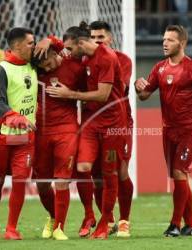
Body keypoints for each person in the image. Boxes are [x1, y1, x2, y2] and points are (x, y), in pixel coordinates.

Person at [135, 25, 192, 237]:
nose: (164, 43)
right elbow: (144, 95)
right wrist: (138, 86)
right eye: (164, 39)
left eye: (170, 40)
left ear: (182, 43)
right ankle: (191, 225)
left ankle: (174, 224)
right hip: (168, 130)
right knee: (179, 178)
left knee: (179, 173)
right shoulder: (160, 68)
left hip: (189, 130)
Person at [46, 21, 126, 239]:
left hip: (113, 126)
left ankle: (106, 221)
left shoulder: (107, 58)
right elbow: (60, 50)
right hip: (91, 123)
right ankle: (90, 214)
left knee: (109, 174)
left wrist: (69, 94)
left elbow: (102, 95)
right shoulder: (82, 57)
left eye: (70, 49)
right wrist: (50, 41)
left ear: (81, 43)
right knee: (82, 168)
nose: (67, 54)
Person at [76, 20, 133, 238]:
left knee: (120, 171)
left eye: (101, 37)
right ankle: (106, 220)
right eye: (94, 38)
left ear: (110, 38)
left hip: (120, 123)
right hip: (93, 122)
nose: (98, 41)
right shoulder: (86, 59)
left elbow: (109, 91)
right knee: (97, 172)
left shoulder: (121, 60)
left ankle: (125, 219)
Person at [0, 27, 37, 240]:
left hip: (25, 137)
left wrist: (52, 42)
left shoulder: (34, 65)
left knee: (20, 180)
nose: (34, 46)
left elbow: (58, 54)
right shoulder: (1, 70)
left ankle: (12, 228)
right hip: (1, 135)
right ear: (17, 46)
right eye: (31, 43)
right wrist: (15, 117)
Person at [32, 43, 87, 240]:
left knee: (62, 180)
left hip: (66, 129)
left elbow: (90, 92)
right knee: (42, 184)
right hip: (41, 132)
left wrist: (70, 95)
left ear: (55, 53)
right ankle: (54, 216)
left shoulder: (75, 67)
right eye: (43, 67)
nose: (46, 69)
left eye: (48, 63)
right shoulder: (33, 68)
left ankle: (59, 228)